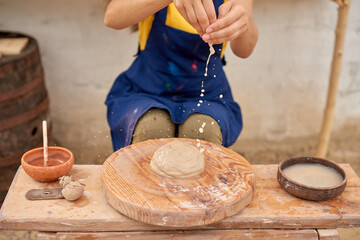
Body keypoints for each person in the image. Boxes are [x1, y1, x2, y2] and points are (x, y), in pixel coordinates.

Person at [104, 0, 258, 151]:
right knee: (151, 130)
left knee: (202, 132)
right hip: (147, 89)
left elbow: (244, 50)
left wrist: (242, 23)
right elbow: (112, 17)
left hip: (208, 95)